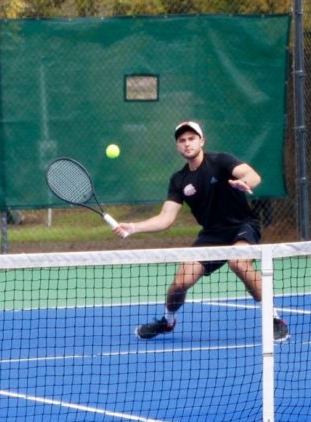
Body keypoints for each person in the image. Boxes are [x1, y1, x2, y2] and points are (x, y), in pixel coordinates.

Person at [112, 120, 289, 342]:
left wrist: (243, 182)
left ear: (201, 141)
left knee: (239, 263)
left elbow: (253, 175)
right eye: (182, 140)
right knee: (180, 283)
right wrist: (134, 227)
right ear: (178, 146)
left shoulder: (221, 161)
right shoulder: (179, 180)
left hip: (242, 225)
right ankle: (167, 321)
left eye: (191, 138)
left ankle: (274, 319)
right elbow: (166, 218)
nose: (187, 143)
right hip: (212, 235)